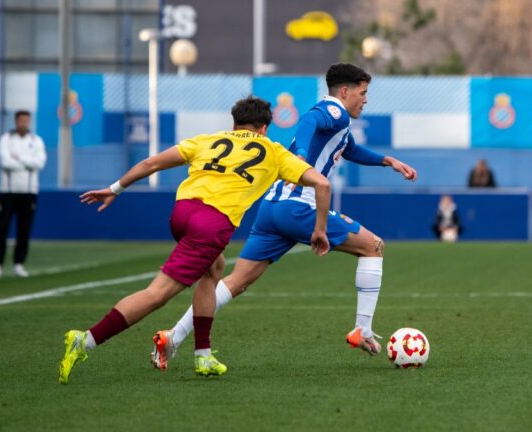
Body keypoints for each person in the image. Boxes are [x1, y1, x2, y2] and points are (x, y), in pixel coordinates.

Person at [151, 63, 418, 371]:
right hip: (299, 206)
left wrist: (388, 161)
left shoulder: (340, 127)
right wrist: (301, 154)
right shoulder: (334, 111)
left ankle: (173, 336)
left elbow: (352, 149)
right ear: (345, 92)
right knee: (373, 246)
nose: (365, 99)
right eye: (363, 92)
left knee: (236, 281)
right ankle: (363, 329)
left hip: (272, 209)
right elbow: (308, 121)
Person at [58, 96, 331, 383]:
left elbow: (151, 163)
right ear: (264, 128)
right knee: (157, 294)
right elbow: (322, 184)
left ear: (234, 123)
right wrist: (319, 230)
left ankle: (203, 355)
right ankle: (85, 340)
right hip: (210, 225)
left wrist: (115, 188)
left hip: (182, 212)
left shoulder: (209, 140)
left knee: (214, 269)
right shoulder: (274, 151)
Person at [0, 110, 47, 278]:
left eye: (26, 121)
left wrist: (19, 158)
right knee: (2, 228)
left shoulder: (36, 141)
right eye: (21, 120)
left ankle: (19, 263)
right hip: (7, 191)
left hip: (29, 192)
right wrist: (27, 162)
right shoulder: (6, 139)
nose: (24, 123)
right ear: (16, 121)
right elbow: (5, 162)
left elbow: (39, 163)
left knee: (24, 230)